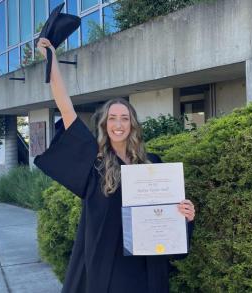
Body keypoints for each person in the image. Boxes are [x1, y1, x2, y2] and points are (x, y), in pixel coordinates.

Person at [34, 38, 196, 293]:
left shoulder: (151, 164)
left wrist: (185, 215)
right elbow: (66, 110)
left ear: (132, 124)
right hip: (108, 265)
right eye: (112, 118)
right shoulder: (95, 163)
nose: (118, 124)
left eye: (124, 118)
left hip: (145, 264)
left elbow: (165, 215)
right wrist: (52, 60)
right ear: (104, 124)